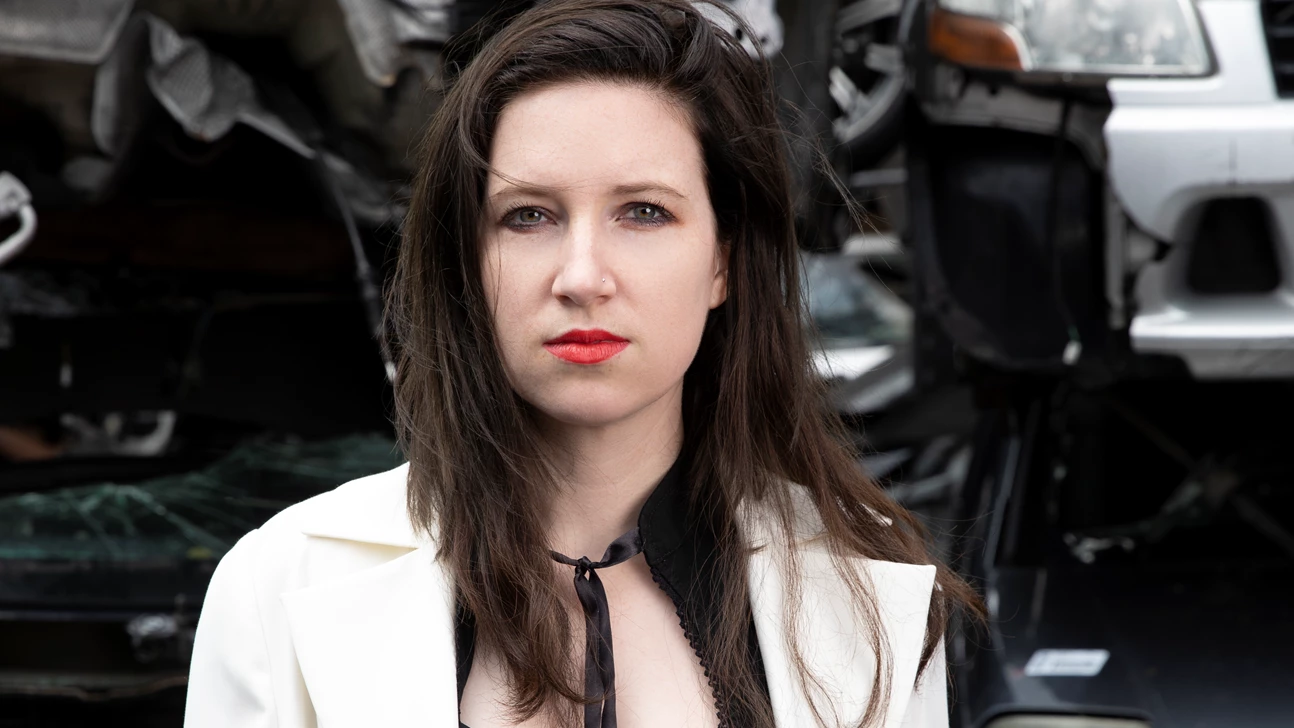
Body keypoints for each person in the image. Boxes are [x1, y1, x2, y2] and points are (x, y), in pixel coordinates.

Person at [183, 1, 983, 727]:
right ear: (467, 259)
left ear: (722, 261)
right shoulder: (279, 589)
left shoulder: (869, 595)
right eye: (529, 216)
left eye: (644, 211)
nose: (582, 276)